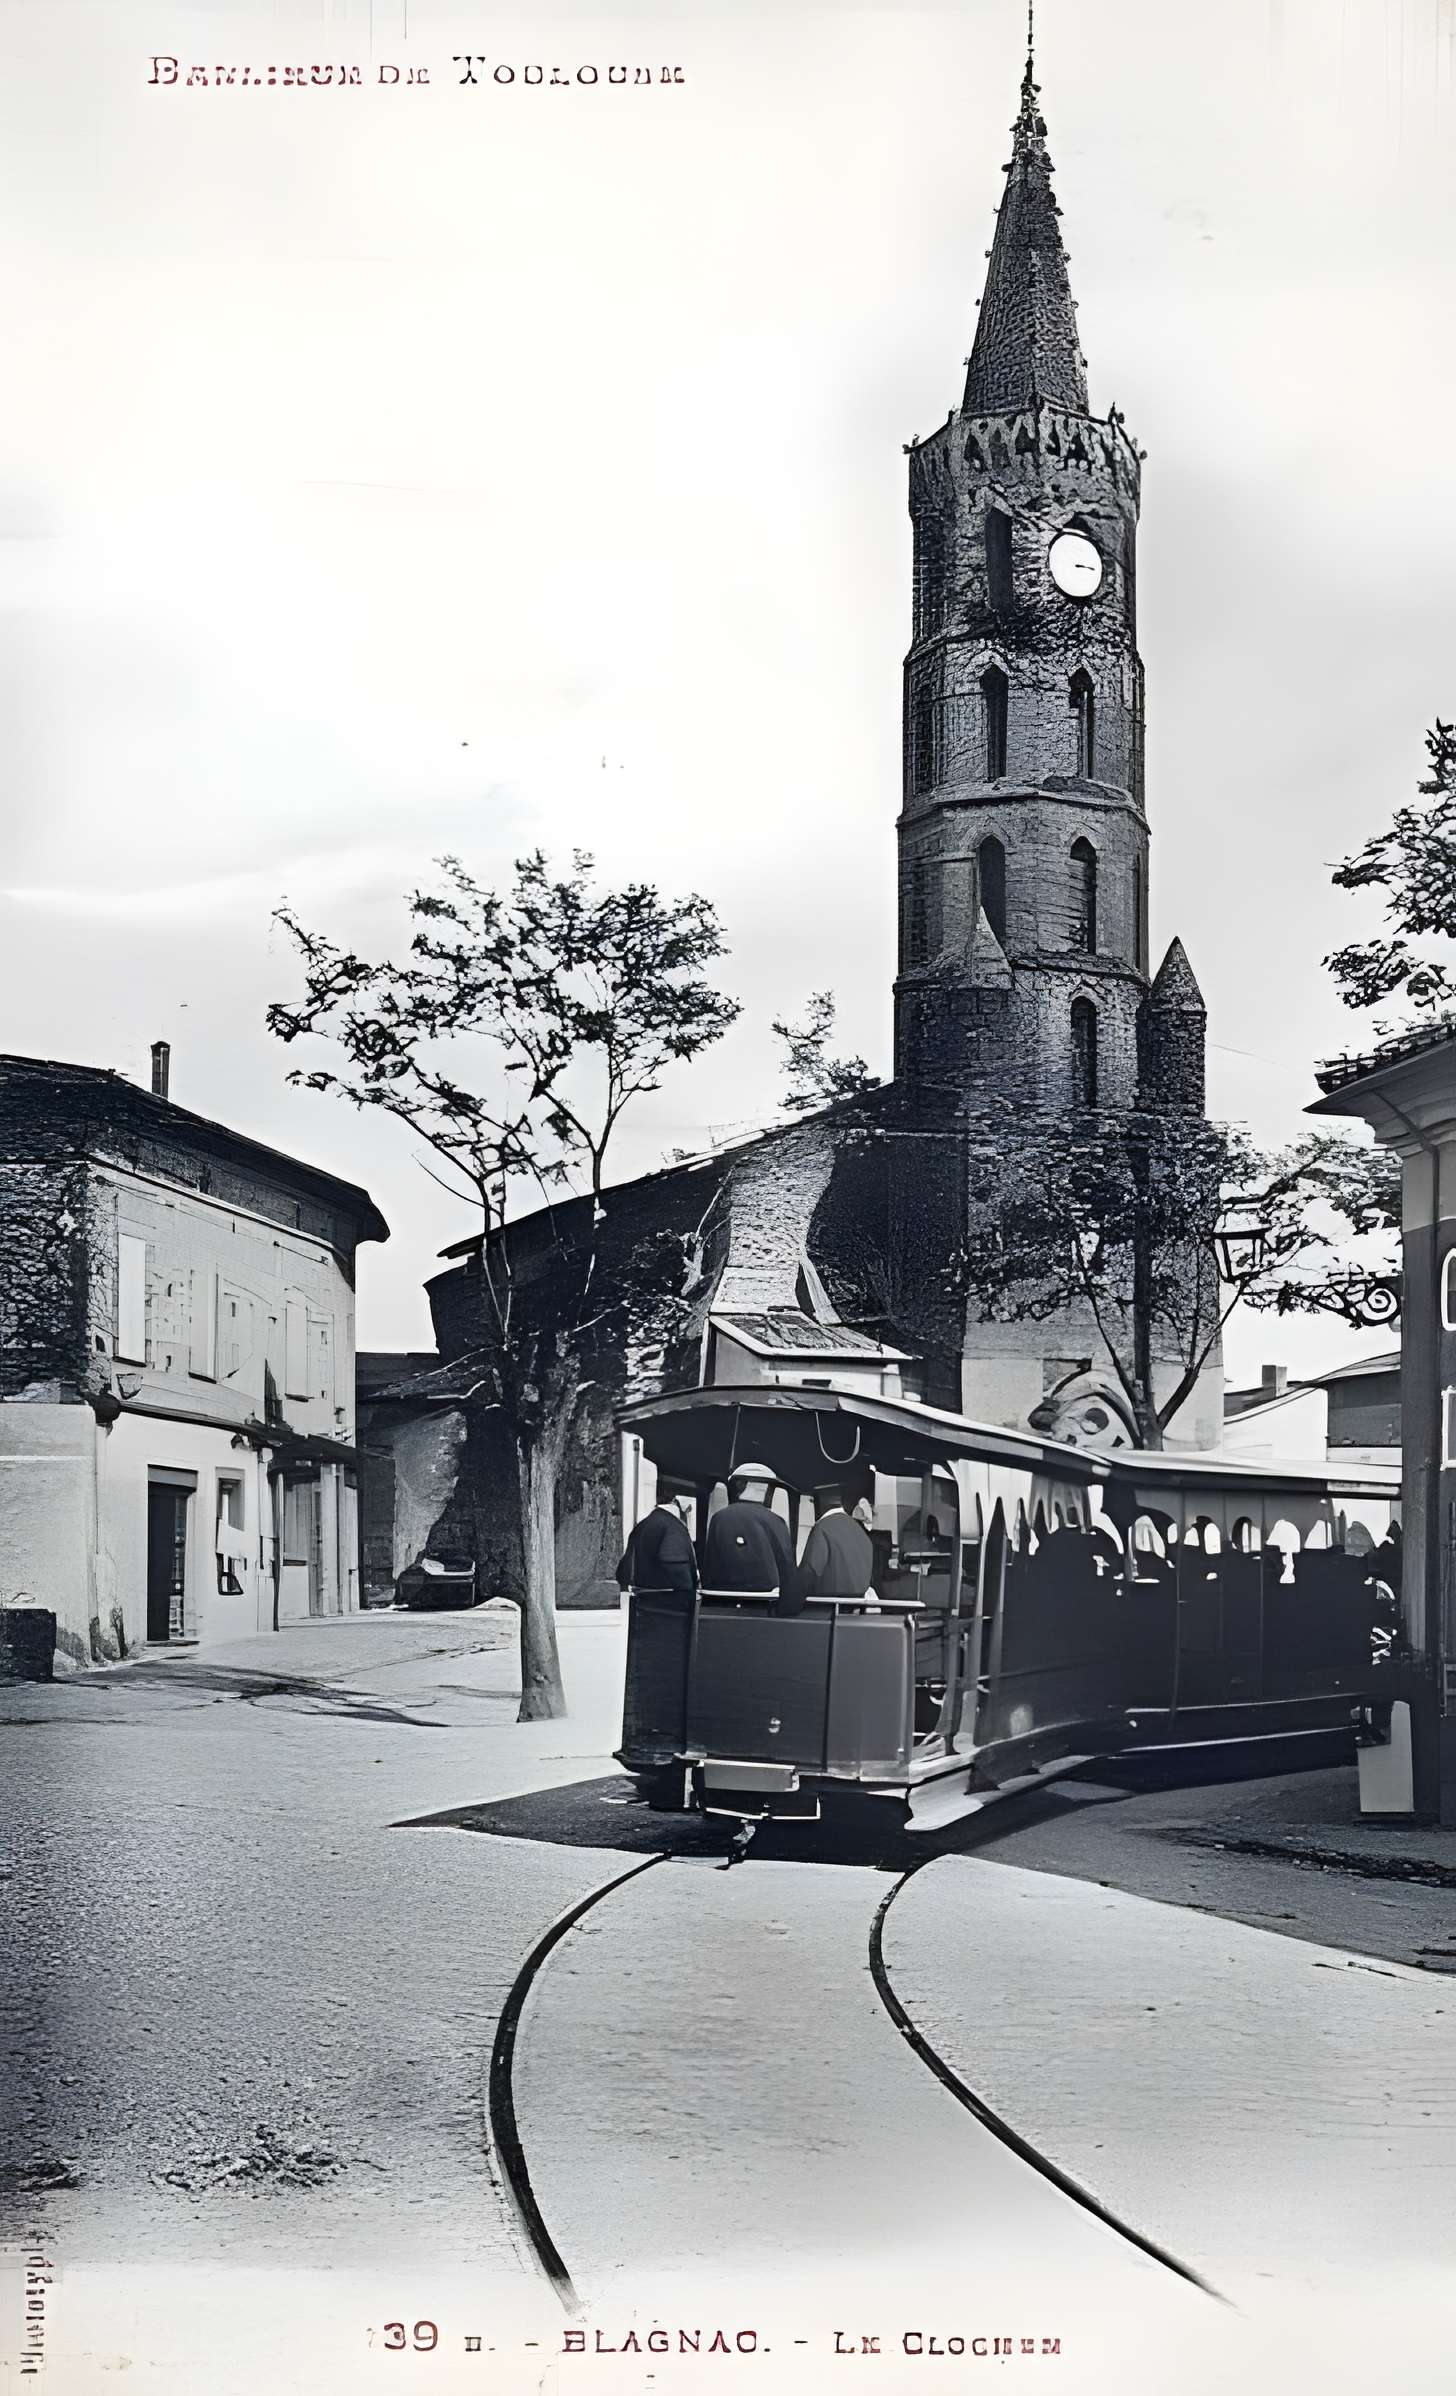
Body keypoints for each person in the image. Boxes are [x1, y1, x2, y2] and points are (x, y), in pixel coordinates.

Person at [700, 1465, 801, 1614]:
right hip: (764, 1607)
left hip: (720, 1606)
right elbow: (786, 1570)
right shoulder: (776, 1522)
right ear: (764, 1488)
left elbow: (709, 1565)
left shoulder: (718, 1519)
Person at [616, 1481, 698, 1598]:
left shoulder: (641, 1526)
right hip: (670, 1607)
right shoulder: (674, 1528)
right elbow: (680, 1575)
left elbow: (623, 1573)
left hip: (643, 1605)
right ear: (676, 1502)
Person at [799, 1483, 876, 1602]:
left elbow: (809, 1571)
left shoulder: (823, 1528)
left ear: (820, 1503)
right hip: (854, 1612)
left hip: (827, 1609)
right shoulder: (862, 1533)